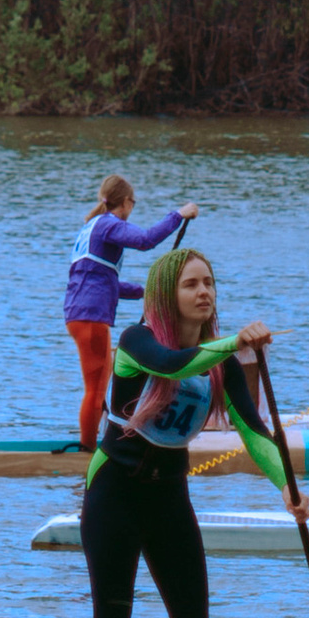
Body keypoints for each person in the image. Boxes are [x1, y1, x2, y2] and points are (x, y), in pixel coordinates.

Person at [81, 239, 307, 618]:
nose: (204, 292)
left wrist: (286, 487)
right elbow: (173, 363)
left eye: (209, 283)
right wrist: (235, 343)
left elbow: (254, 431)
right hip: (114, 495)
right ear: (167, 294)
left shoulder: (221, 363)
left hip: (169, 498)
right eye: (191, 284)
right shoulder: (136, 341)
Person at [64, 173, 198, 450]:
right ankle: (88, 451)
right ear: (125, 202)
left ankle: (92, 442)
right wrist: (178, 215)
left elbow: (104, 282)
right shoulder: (108, 225)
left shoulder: (91, 227)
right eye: (133, 203)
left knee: (99, 385)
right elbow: (146, 240)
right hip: (91, 318)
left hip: (79, 315)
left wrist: (144, 292)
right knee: (96, 388)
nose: (132, 208)